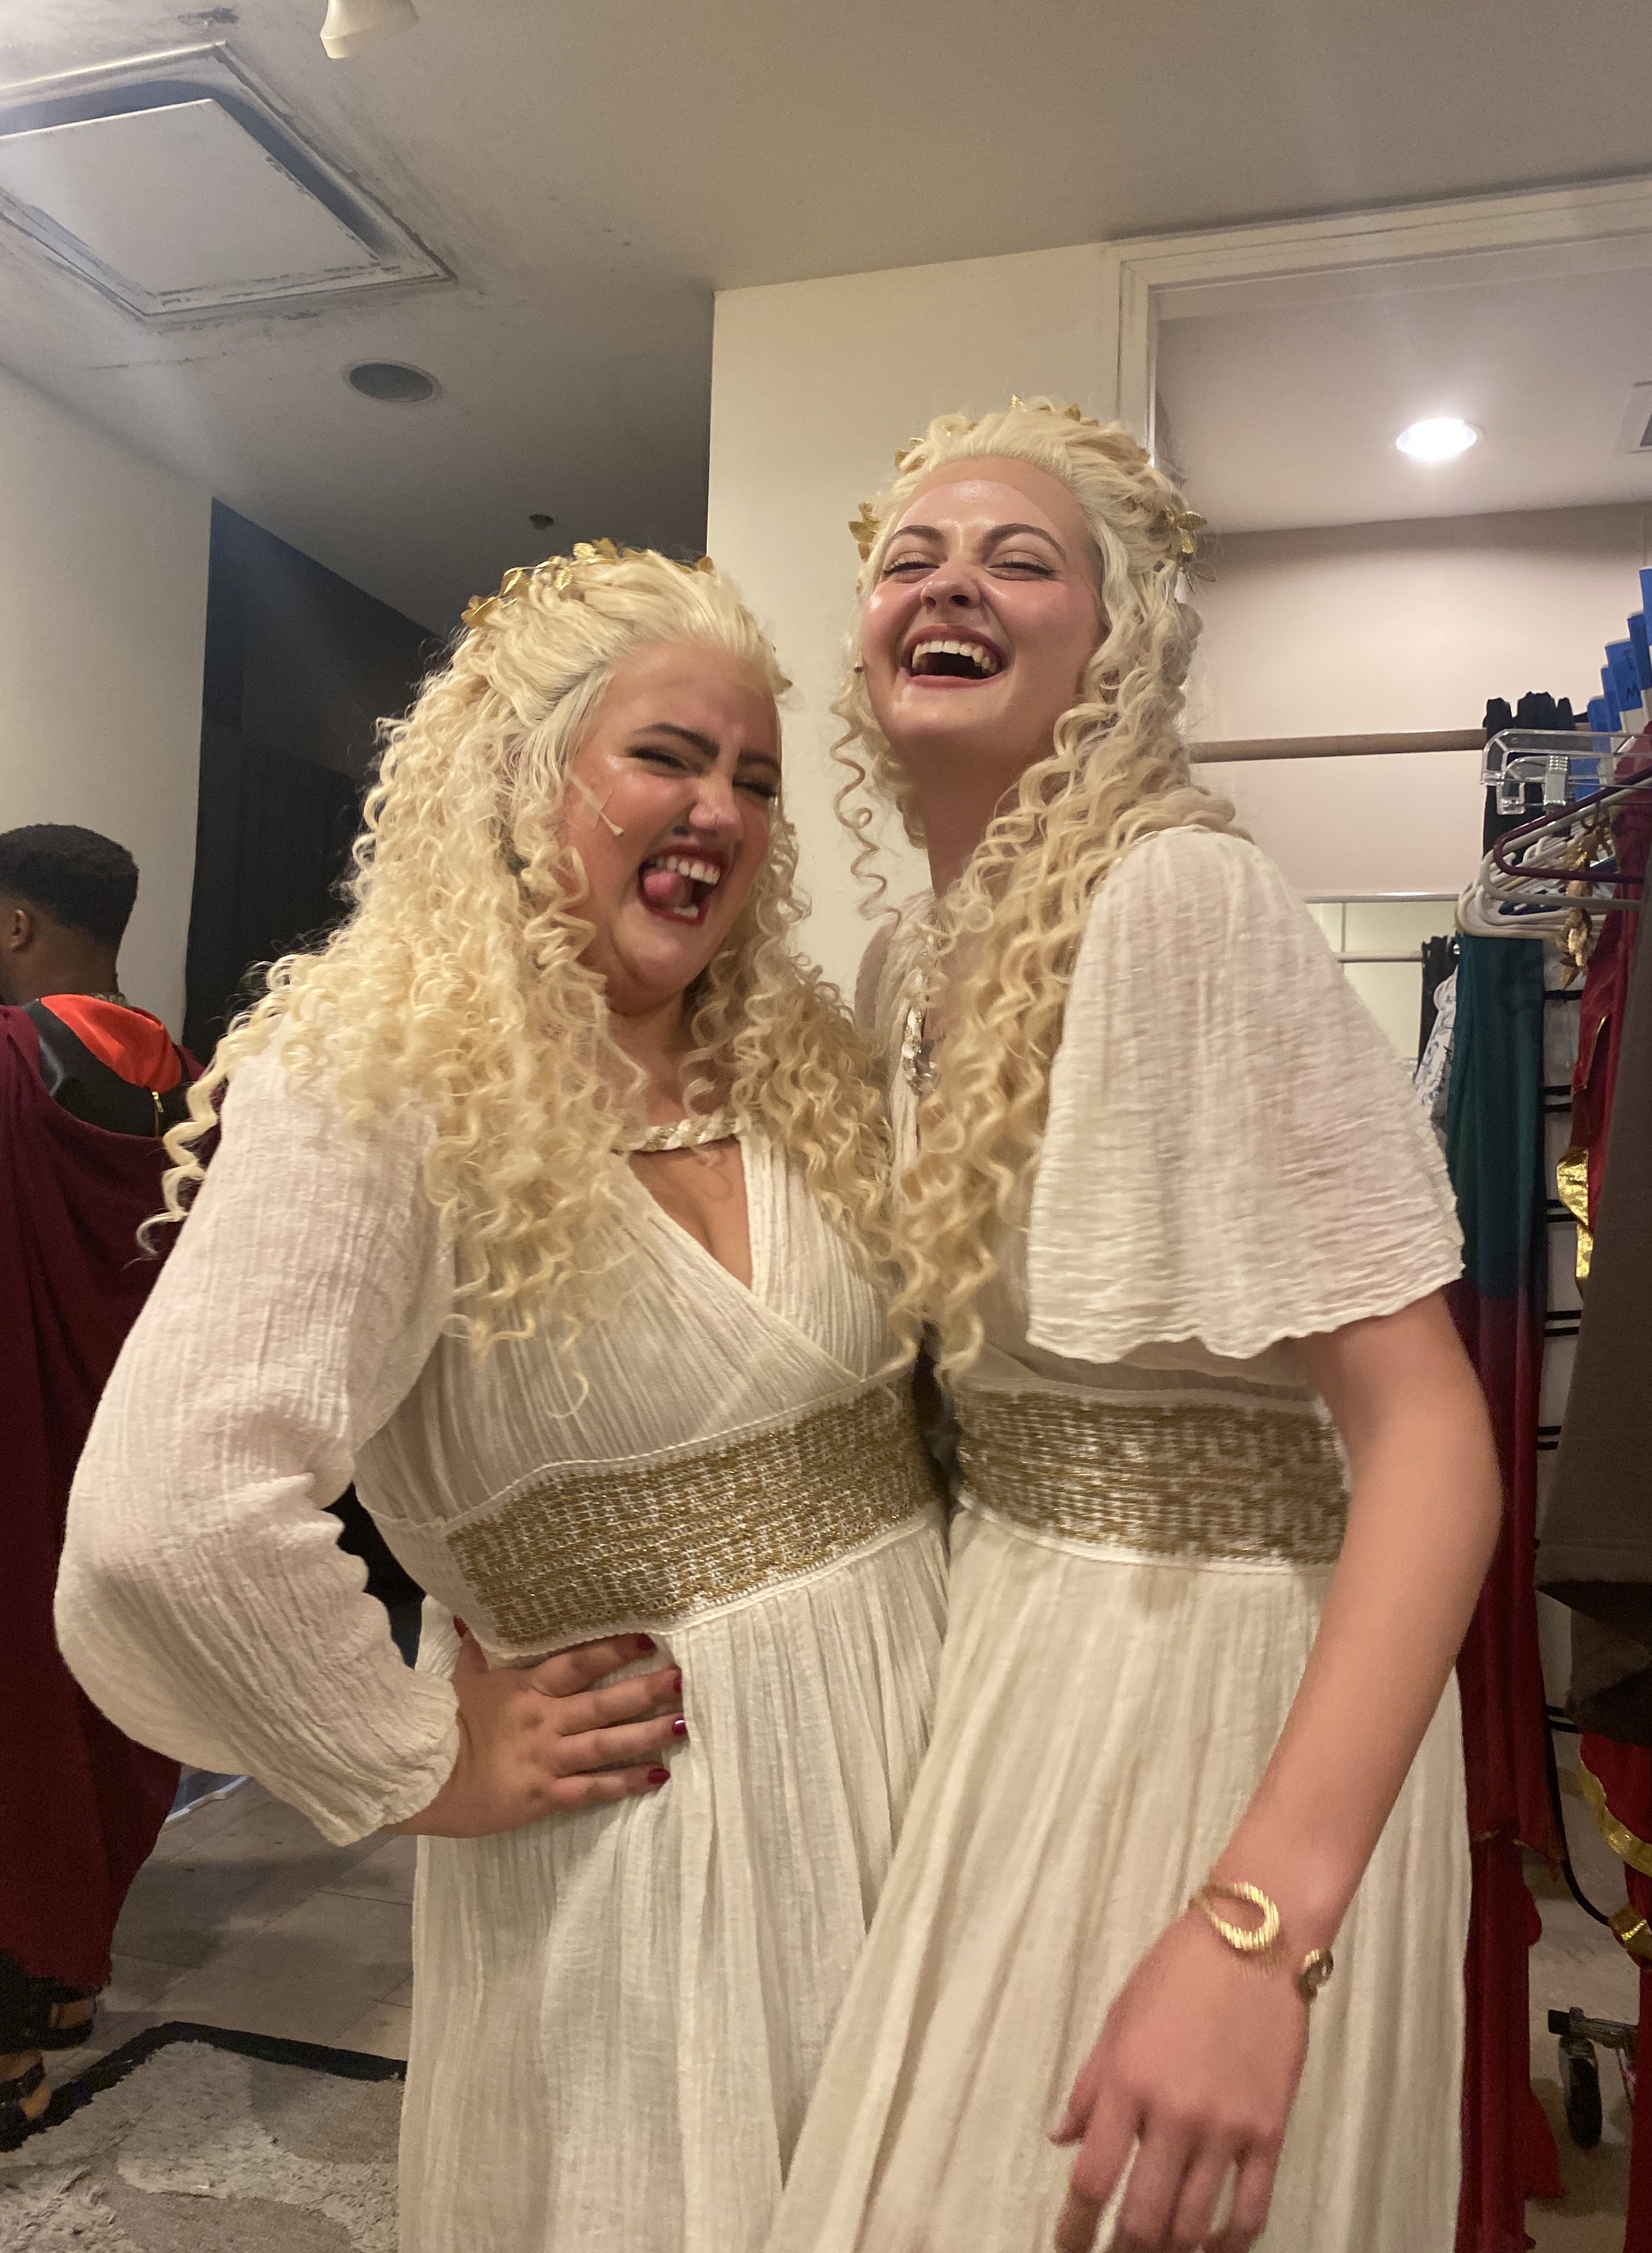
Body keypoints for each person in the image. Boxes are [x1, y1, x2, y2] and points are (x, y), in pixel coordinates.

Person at [55, 547, 947, 2253]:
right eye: (667, 756)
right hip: (653, 1855)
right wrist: (412, 1761)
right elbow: (166, 1515)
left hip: (915, 1766)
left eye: (755, 777)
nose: (721, 809)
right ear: (521, 776)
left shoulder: (803, 1063)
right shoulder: (376, 1078)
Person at [767, 403, 1501, 2253]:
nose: (951, 580)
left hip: (1214, 1696)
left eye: (1021, 557)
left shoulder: (1178, 900)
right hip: (1010, 1663)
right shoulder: (902, 969)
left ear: (1113, 647)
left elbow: (1427, 1434)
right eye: (909, 556)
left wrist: (1258, 1922)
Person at [0, 824, 194, 2148]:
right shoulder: (205, 1089)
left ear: (17, 926)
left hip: (20, 1438)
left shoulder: (10, 1063)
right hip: (141, 1459)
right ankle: (61, 1989)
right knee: (112, 1699)